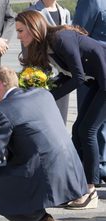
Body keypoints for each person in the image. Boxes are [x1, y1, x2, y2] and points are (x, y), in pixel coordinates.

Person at [0, 66, 88, 221]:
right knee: (11, 167)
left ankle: (36, 220)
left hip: (43, 175)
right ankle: (35, 218)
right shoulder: (42, 94)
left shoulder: (0, 111)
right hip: (71, 172)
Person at [15, 10, 106, 209]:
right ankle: (79, 186)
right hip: (99, 82)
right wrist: (41, 90)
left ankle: (90, 191)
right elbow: (66, 75)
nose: (18, 36)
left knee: (88, 131)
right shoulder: (46, 46)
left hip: (103, 81)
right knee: (78, 131)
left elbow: (78, 77)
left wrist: (48, 96)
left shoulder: (60, 39)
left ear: (33, 28)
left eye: (21, 31)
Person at [73, 0, 106, 183]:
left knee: (88, 126)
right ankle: (98, 167)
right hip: (97, 69)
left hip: (93, 69)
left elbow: (78, 33)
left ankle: (92, 172)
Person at [24, 0, 71, 124]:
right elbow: (27, 50)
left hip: (63, 75)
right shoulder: (31, 12)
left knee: (60, 120)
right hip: (41, 75)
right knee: (44, 121)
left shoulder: (65, 12)